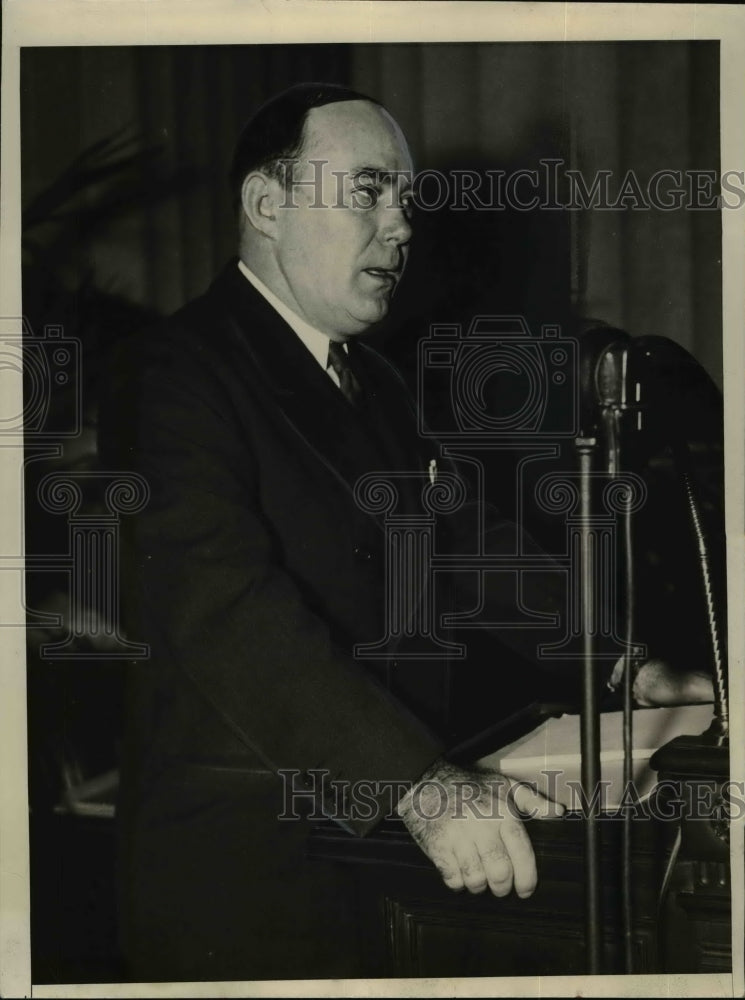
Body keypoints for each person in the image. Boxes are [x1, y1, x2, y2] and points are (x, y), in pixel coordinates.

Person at [97, 82, 714, 982]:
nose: (401, 225)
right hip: (250, 874)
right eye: (367, 191)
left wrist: (623, 660)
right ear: (267, 204)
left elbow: (466, 546)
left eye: (406, 200)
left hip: (383, 859)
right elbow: (225, 612)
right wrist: (416, 786)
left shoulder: (374, 383)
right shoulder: (171, 372)